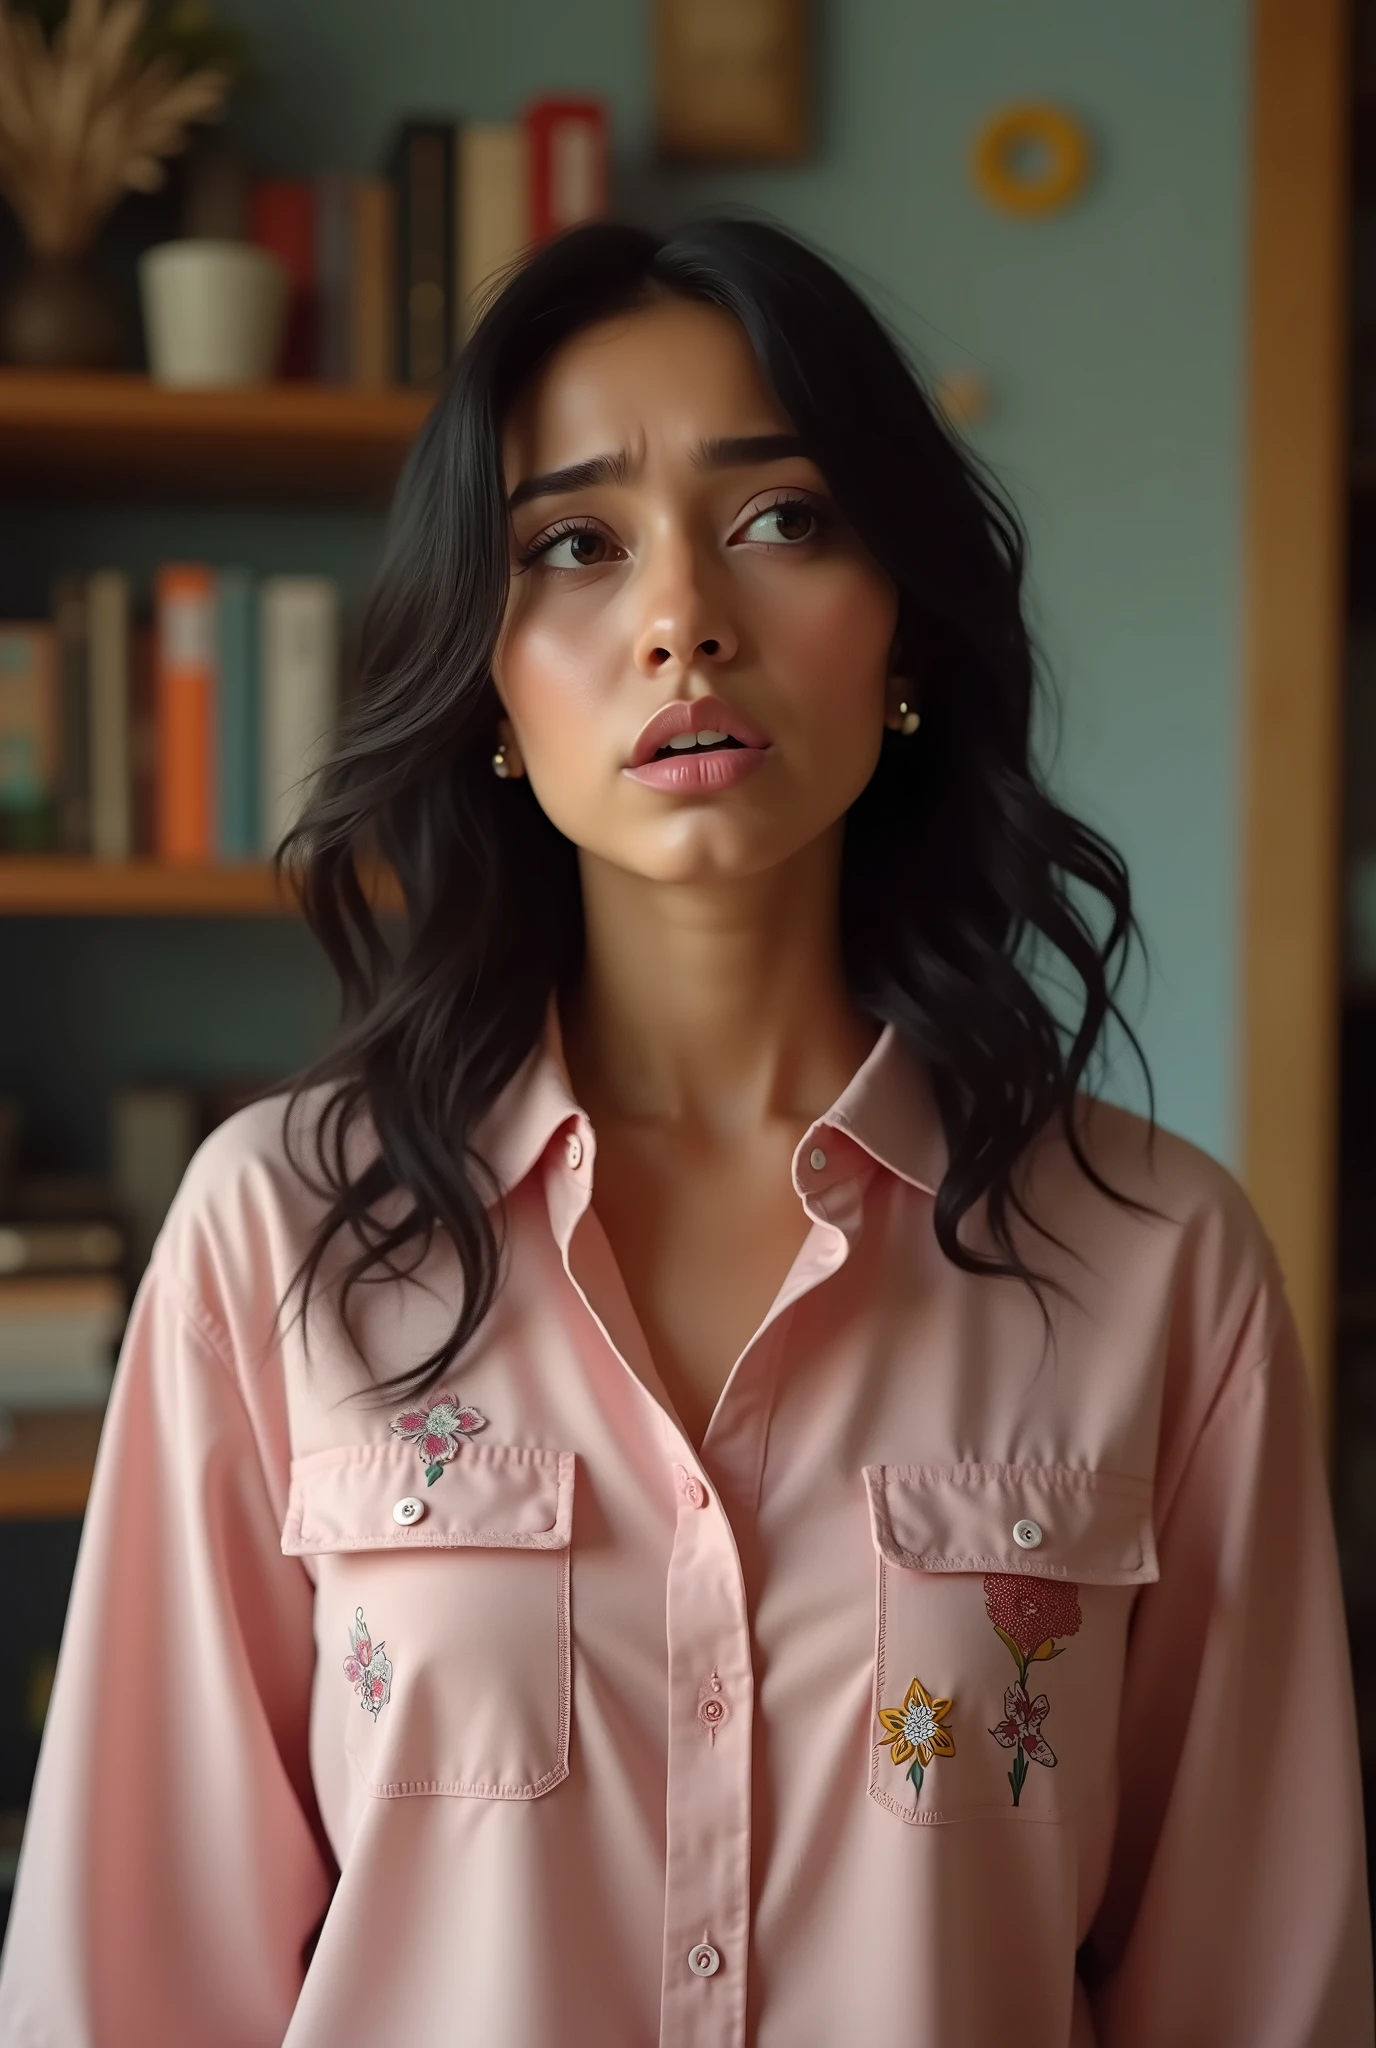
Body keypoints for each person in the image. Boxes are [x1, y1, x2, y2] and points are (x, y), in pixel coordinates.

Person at [0, 218, 1370, 2047]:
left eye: (782, 518)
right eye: (575, 545)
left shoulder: (1157, 1265)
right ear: (490, 683)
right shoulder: (282, 1235)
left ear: (901, 625)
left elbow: (1253, 1987)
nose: (683, 619)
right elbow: (129, 1985)